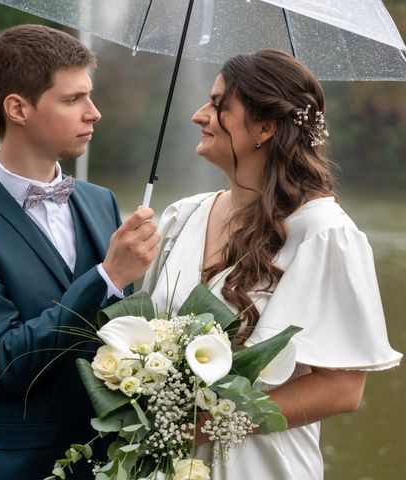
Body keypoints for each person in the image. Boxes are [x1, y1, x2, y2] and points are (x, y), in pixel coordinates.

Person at [143, 49, 402, 479]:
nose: (198, 114)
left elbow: (342, 389)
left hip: (260, 467)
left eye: (218, 104)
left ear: (265, 127)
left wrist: (211, 425)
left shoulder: (323, 233)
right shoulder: (182, 217)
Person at [0, 24, 160, 480]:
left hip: (111, 461)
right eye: (73, 100)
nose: (94, 113)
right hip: (17, 465)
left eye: (90, 96)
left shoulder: (100, 201)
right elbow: (9, 363)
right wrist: (106, 277)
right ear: (18, 108)